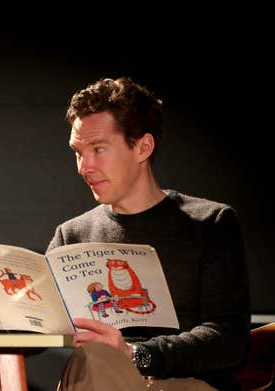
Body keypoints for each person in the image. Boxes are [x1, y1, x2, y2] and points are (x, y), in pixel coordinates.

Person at [49, 77, 250, 390]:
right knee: (94, 358)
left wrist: (136, 353)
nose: (83, 167)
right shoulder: (72, 234)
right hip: (99, 374)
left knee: (97, 359)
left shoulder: (210, 223)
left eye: (98, 149)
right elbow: (35, 323)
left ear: (143, 147)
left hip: (186, 382)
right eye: (78, 152)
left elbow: (228, 338)